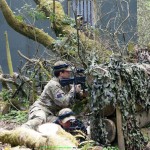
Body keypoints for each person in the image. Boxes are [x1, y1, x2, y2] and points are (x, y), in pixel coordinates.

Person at [22, 61, 83, 130]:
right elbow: (64, 103)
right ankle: (21, 131)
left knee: (64, 125)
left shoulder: (67, 83)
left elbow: (79, 97)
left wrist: (80, 92)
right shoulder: (53, 85)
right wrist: (73, 90)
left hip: (51, 114)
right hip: (41, 109)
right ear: (61, 73)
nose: (69, 73)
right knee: (39, 119)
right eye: (67, 72)